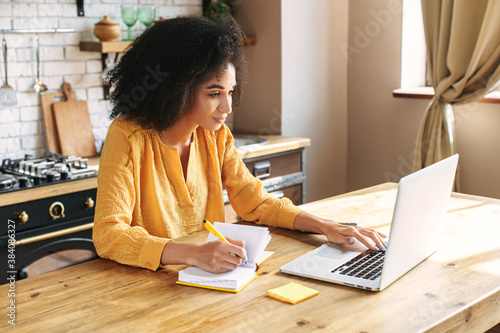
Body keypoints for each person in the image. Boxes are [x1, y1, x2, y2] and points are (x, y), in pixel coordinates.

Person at [93, 16, 386, 275]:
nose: (227, 106)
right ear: (175, 89)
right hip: (147, 286)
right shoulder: (127, 137)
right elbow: (109, 234)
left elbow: (255, 202)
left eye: (230, 92)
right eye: (214, 93)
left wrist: (325, 226)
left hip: (212, 277)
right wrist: (194, 254)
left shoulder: (215, 135)